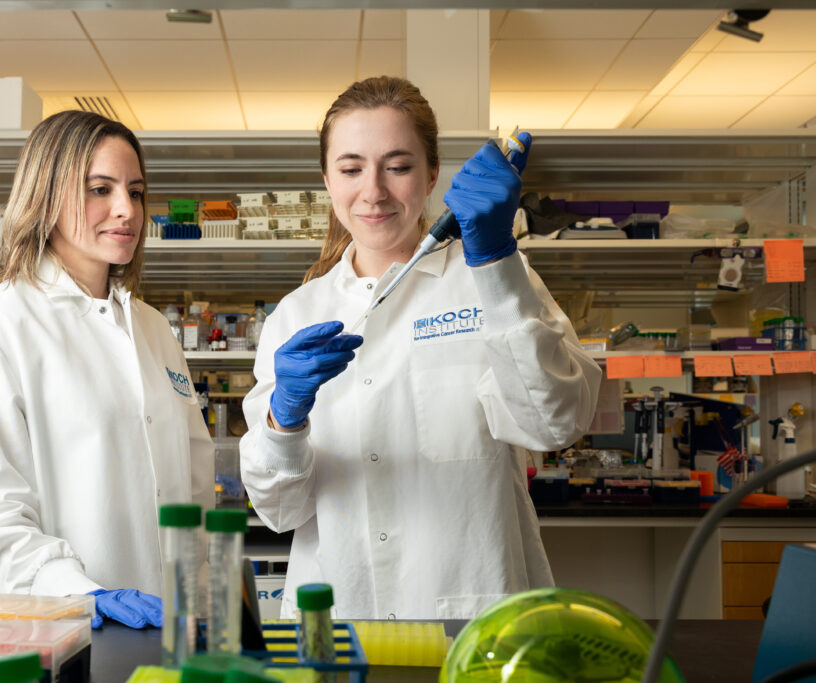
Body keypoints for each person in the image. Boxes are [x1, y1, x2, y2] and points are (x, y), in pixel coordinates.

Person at [239, 76, 601, 620]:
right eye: (351, 167)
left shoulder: (497, 277)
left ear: (433, 174)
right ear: (326, 179)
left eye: (399, 166)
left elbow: (554, 425)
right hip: (340, 615)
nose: (374, 192)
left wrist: (497, 264)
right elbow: (278, 509)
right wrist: (282, 421)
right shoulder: (297, 313)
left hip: (471, 608)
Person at [0, 111, 214, 629]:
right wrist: (77, 593)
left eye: (136, 192)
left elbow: (192, 488)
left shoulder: (153, 330)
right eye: (100, 188)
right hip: (58, 631)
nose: (126, 210)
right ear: (46, 194)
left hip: (169, 635)